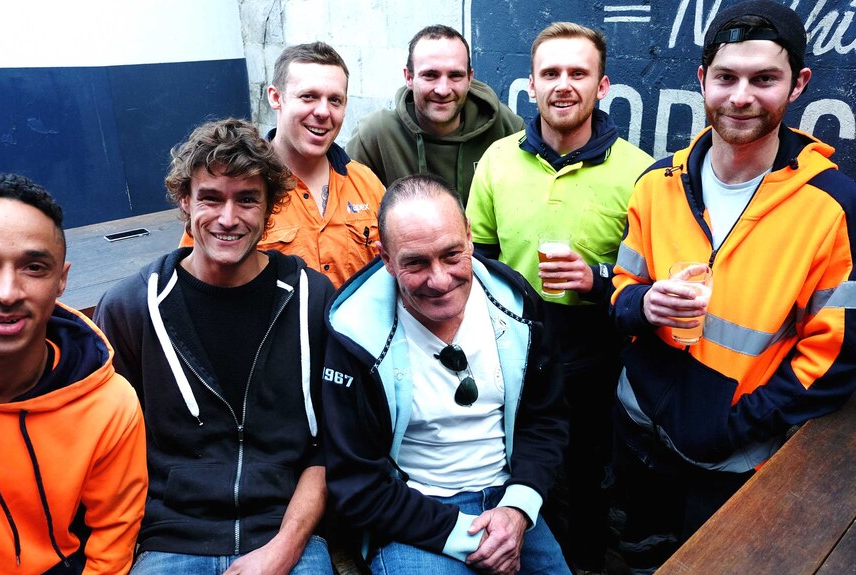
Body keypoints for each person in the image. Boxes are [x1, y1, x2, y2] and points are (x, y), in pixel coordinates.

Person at [611, 1, 856, 570]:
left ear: (798, 85)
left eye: (763, 79)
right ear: (702, 80)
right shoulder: (657, 184)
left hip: (731, 462)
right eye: (726, 77)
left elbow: (835, 355)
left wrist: (734, 425)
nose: (741, 96)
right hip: (639, 428)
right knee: (635, 555)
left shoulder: (833, 207)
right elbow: (624, 285)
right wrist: (643, 304)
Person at [95, 119, 335, 574]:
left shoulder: (311, 298)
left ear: (270, 207)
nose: (229, 218)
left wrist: (284, 548)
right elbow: (109, 454)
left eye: (247, 199)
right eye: (211, 198)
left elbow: (329, 446)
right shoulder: (132, 307)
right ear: (185, 201)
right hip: (170, 539)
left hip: (286, 534)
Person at [466, 22, 653, 573]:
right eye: (550, 73)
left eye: (578, 72)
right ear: (531, 84)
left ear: (604, 86)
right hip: (513, 341)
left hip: (598, 348)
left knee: (591, 473)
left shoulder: (640, 172)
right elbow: (475, 255)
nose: (563, 84)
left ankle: (587, 561)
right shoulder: (498, 160)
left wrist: (597, 280)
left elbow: (651, 284)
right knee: (514, 463)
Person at [322, 174, 571, 575]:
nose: (439, 280)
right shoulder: (356, 336)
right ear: (385, 258)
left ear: (470, 237)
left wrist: (519, 508)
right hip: (413, 514)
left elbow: (545, 419)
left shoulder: (517, 306)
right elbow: (358, 483)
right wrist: (467, 535)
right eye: (416, 263)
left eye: (452, 255)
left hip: (511, 498)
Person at [0, 173, 147, 574]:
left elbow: (112, 544)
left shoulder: (109, 405)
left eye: (33, 267)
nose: (7, 291)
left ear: (62, 280)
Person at [180, 42, 384, 288]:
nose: (323, 111)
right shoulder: (239, 191)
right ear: (276, 97)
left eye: (335, 100)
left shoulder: (367, 184)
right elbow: (193, 283)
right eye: (308, 96)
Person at [345, 25, 524, 204]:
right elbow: (348, 212)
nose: (443, 90)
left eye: (455, 75)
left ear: (470, 78)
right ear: (409, 78)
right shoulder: (375, 137)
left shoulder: (506, 128)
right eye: (430, 75)